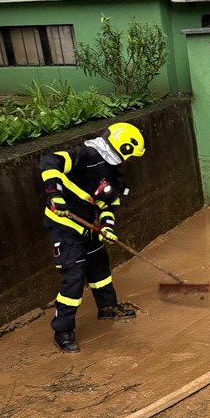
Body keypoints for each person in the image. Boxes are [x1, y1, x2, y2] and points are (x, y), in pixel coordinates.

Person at [38, 122, 145, 353]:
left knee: (100, 269)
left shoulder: (114, 176)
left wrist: (107, 227)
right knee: (74, 276)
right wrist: (55, 194)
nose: (130, 160)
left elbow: (108, 207)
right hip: (64, 225)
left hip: (88, 226)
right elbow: (49, 162)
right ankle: (63, 330)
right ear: (122, 148)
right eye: (130, 155)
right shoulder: (85, 156)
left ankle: (107, 308)